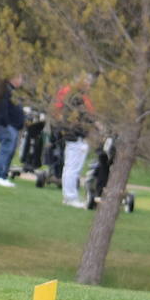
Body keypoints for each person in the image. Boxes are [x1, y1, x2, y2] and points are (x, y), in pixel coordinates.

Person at [52, 75, 96, 207]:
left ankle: (70, 196)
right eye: (87, 83)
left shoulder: (75, 96)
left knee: (71, 168)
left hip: (75, 135)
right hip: (75, 136)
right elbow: (83, 117)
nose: (89, 85)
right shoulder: (76, 98)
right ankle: (70, 197)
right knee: (72, 168)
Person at [0, 74, 25, 187]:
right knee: (6, 149)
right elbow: (2, 109)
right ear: (13, 78)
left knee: (10, 151)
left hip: (12, 126)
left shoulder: (12, 91)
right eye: (19, 77)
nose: (21, 80)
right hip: (6, 125)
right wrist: (6, 123)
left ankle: (3, 176)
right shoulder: (6, 90)